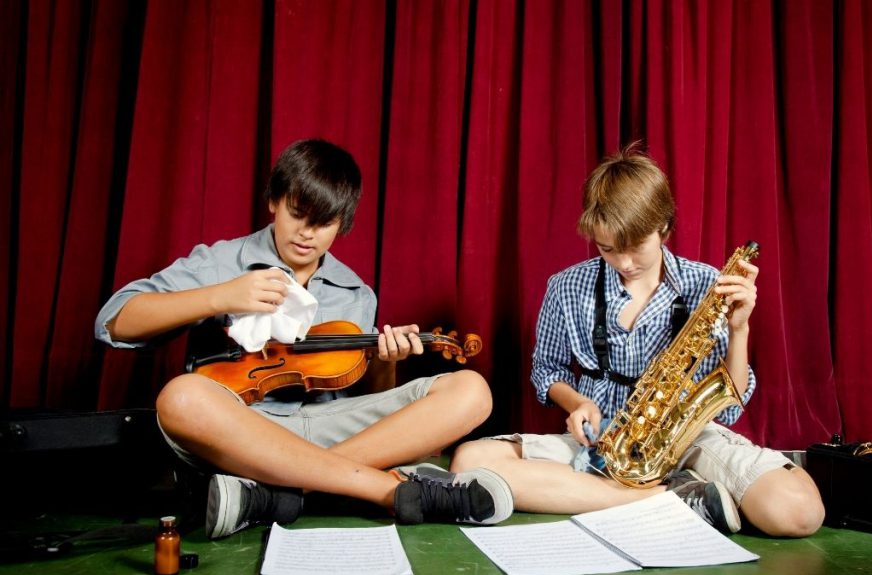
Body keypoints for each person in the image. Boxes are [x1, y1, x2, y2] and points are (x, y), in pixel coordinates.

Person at [95, 139, 512, 539]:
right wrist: (219, 295)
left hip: (328, 431)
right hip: (245, 433)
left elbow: (359, 402)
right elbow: (114, 321)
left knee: (472, 391)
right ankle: (383, 489)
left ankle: (275, 495)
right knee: (180, 398)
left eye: (323, 223)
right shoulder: (223, 261)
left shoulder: (356, 293)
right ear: (274, 201)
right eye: (297, 213)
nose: (306, 234)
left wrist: (386, 362)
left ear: (342, 225)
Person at [450, 143, 824, 537]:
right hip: (602, 443)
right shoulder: (565, 286)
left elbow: (729, 408)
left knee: (798, 512)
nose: (625, 264)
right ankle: (669, 499)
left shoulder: (707, 284)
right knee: (470, 462)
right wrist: (577, 402)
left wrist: (739, 329)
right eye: (608, 249)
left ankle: (611, 494)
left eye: (635, 249)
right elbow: (547, 369)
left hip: (690, 437)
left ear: (664, 226)